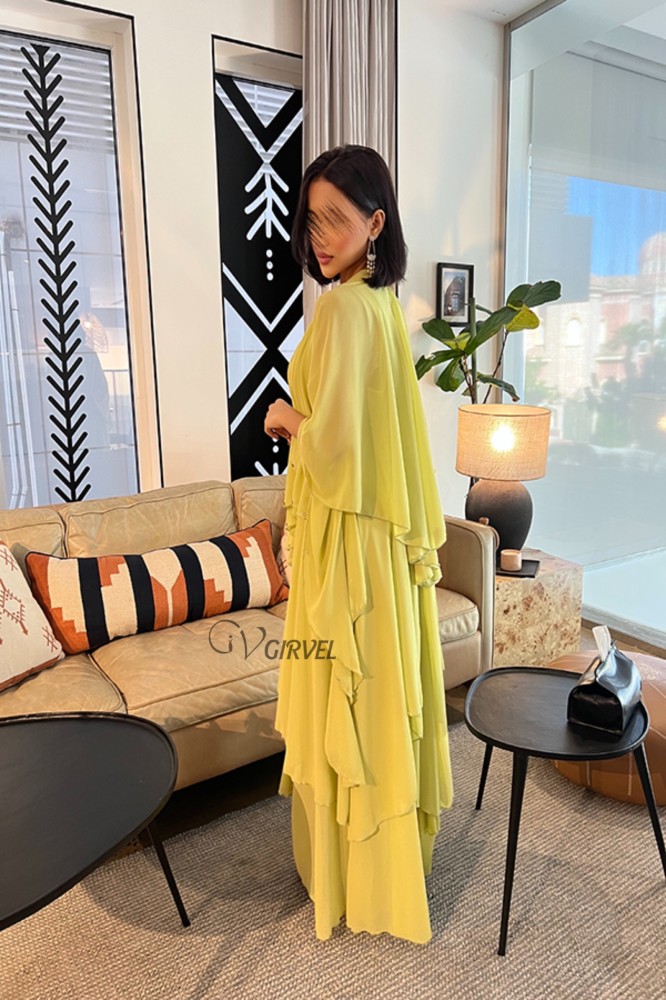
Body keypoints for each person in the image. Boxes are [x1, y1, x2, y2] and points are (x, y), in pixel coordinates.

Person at [263, 144, 453, 944]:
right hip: (372, 538)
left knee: (342, 690)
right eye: (312, 221)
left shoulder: (343, 310)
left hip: (345, 540)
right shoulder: (382, 306)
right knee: (374, 696)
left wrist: (285, 417)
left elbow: (337, 444)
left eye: (336, 219)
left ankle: (347, 876)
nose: (319, 238)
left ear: (376, 223)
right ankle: (382, 874)